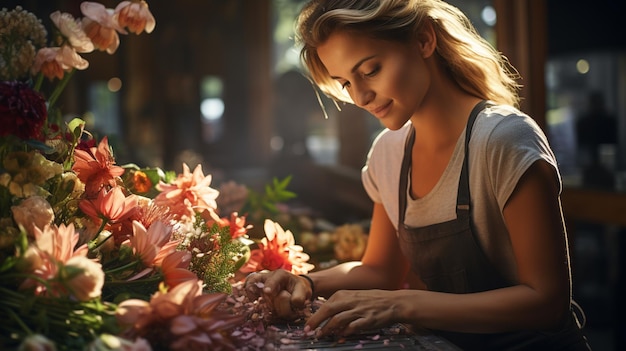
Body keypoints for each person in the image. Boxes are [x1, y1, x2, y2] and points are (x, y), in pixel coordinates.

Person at [245, 1, 592, 350]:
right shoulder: (389, 151)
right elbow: (380, 271)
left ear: (424, 40)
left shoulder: (502, 139)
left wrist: (400, 304)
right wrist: (307, 282)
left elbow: (547, 303)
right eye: (346, 83)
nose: (361, 96)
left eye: (371, 70)